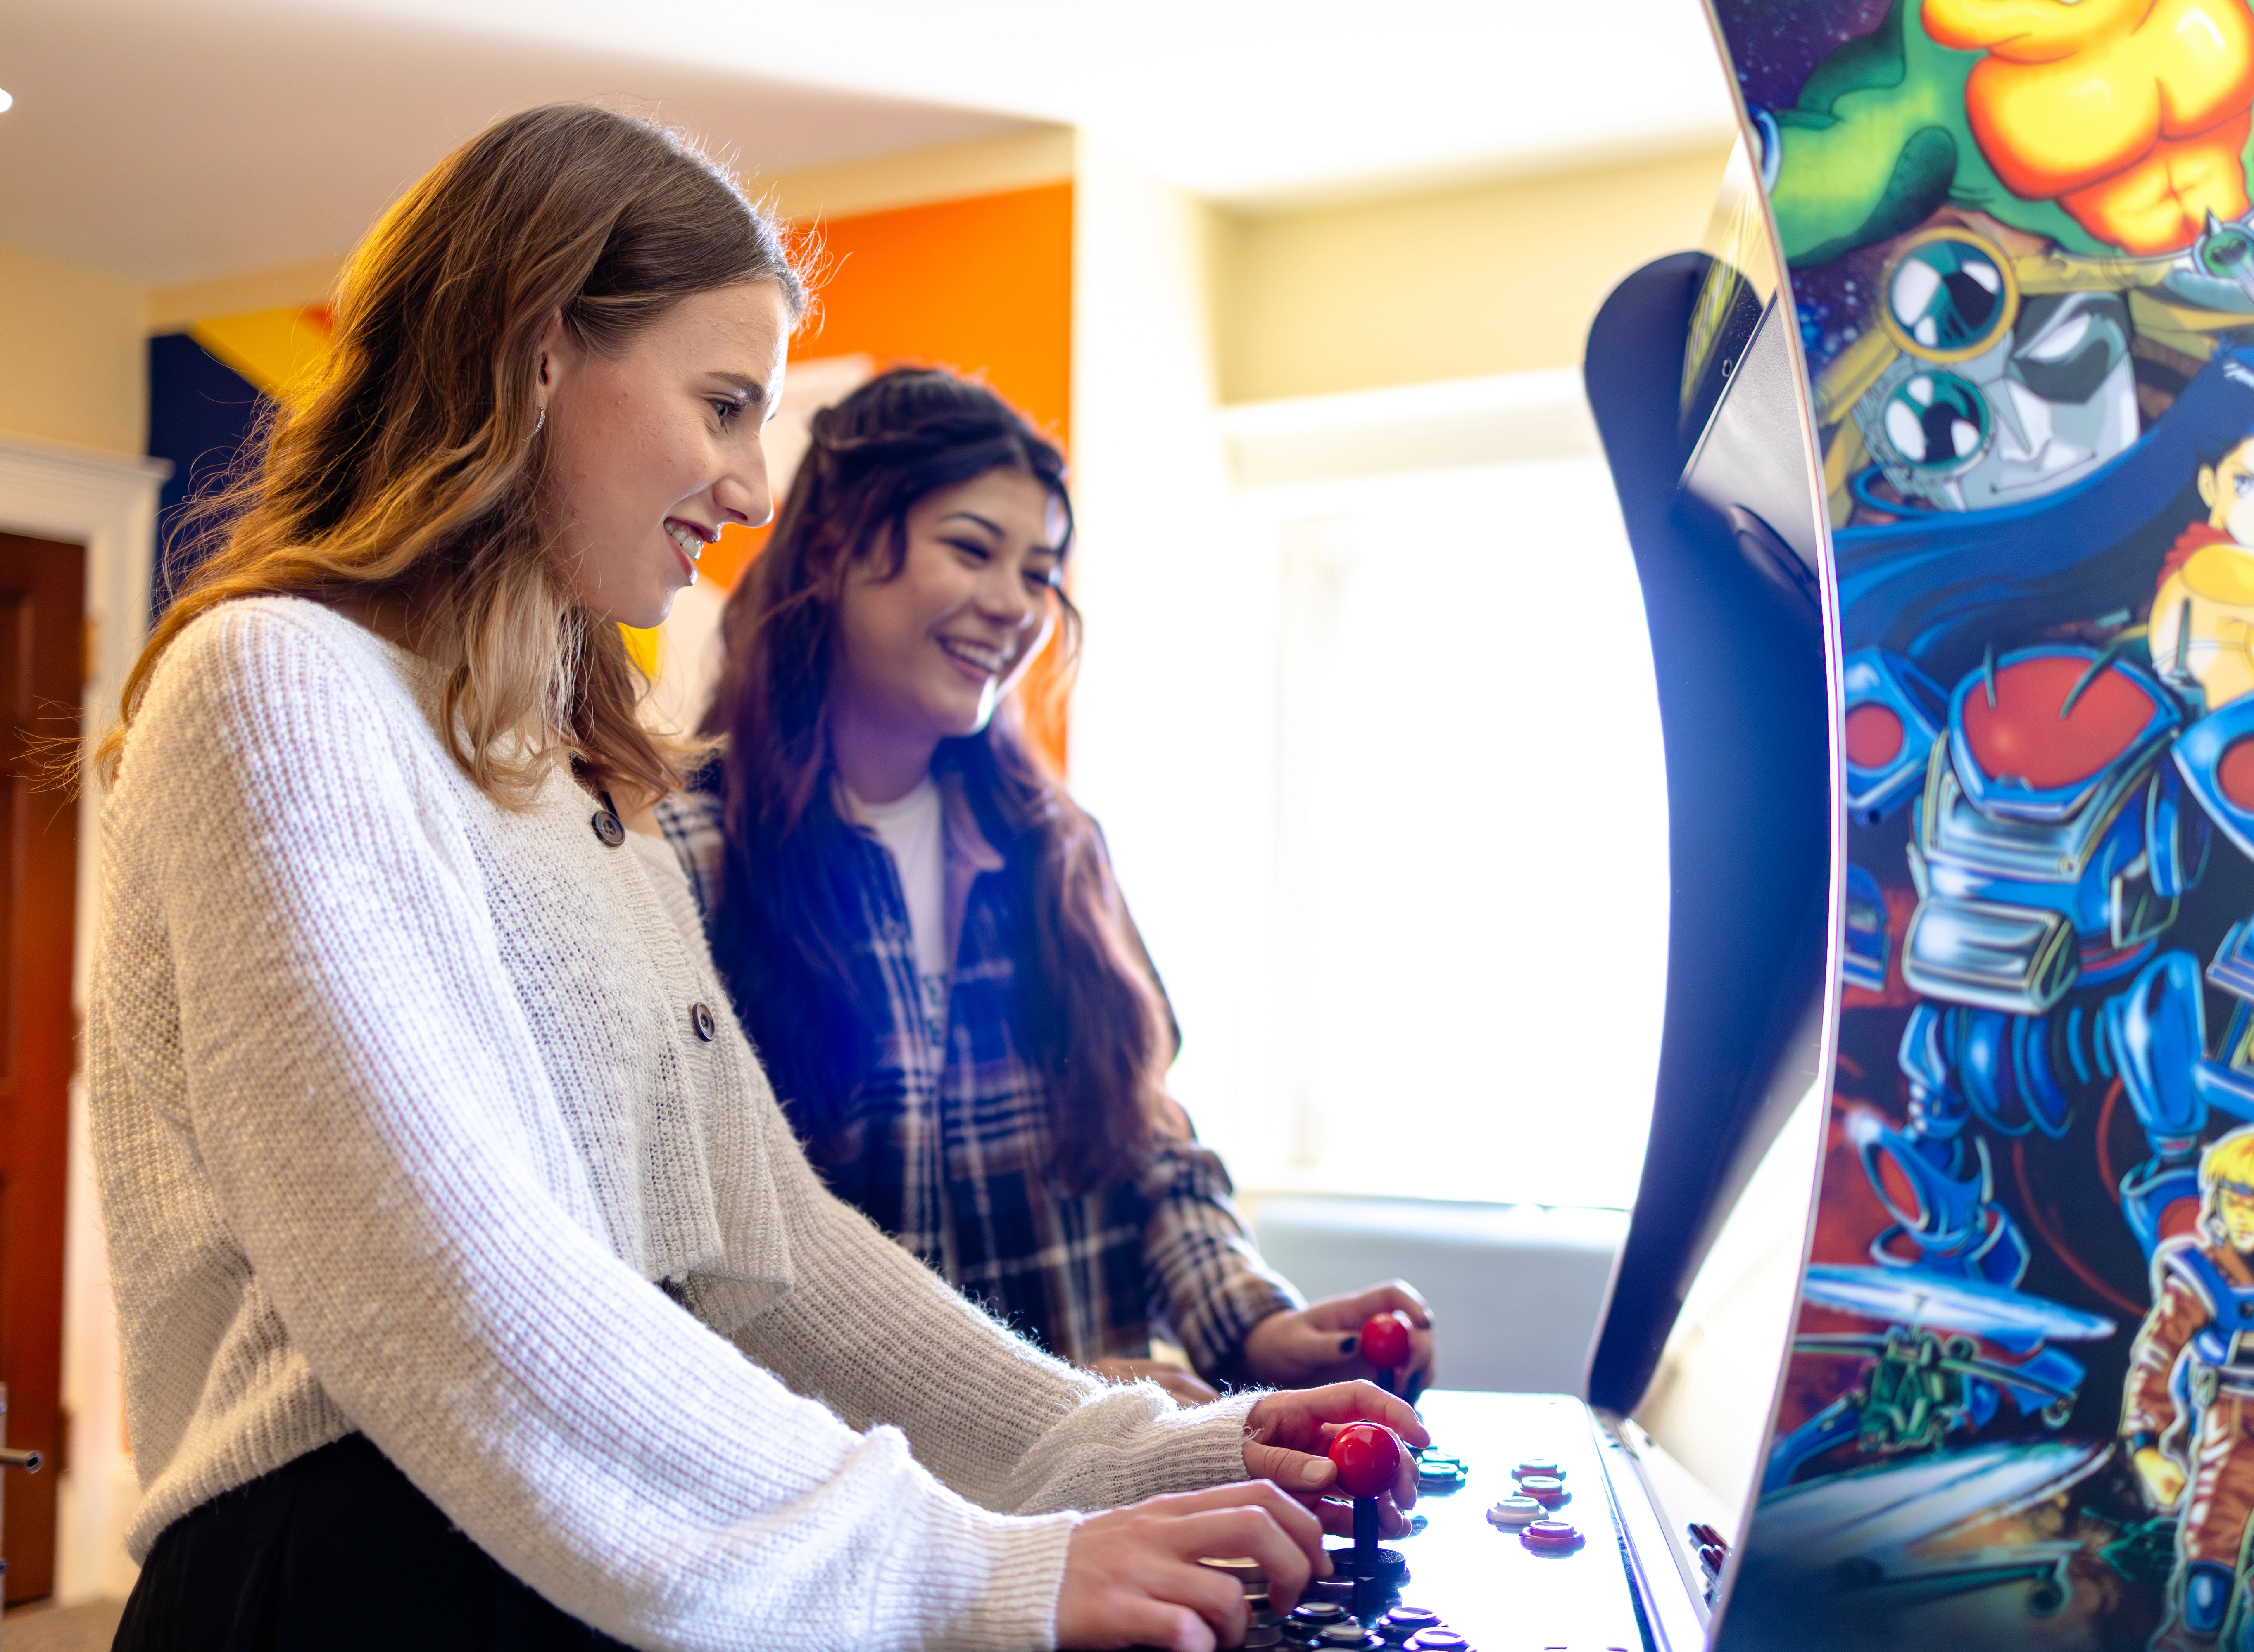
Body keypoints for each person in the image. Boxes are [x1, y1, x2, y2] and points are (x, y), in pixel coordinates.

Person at [90, 104, 1425, 1652]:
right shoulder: (278, 684)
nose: (745, 487)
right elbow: (449, 1292)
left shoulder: (584, 784)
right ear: (537, 350)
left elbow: (764, 1257)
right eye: (723, 406)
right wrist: (968, 1566)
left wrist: (1118, 1451)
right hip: (342, 1573)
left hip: (578, 1550)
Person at [653, 368, 1438, 1409]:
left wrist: (1253, 1318)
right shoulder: (678, 851)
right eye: (973, 549)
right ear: (835, 548)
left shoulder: (1058, 847)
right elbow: (686, 1282)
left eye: (1040, 569)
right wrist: (1047, 1396)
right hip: (855, 1534)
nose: (1015, 604)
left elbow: (1147, 1143)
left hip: (1106, 1529)